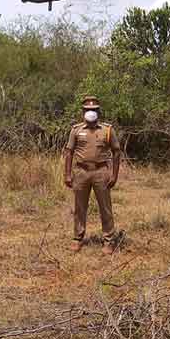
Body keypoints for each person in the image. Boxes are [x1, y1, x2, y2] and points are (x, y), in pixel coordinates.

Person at [63, 96, 122, 255]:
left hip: (101, 172)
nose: (91, 112)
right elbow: (69, 152)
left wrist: (114, 175)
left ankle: (109, 240)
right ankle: (77, 238)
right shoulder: (76, 130)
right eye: (88, 110)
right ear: (83, 112)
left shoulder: (107, 130)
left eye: (94, 110)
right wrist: (67, 174)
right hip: (81, 172)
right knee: (79, 207)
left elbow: (117, 152)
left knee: (105, 207)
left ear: (98, 111)